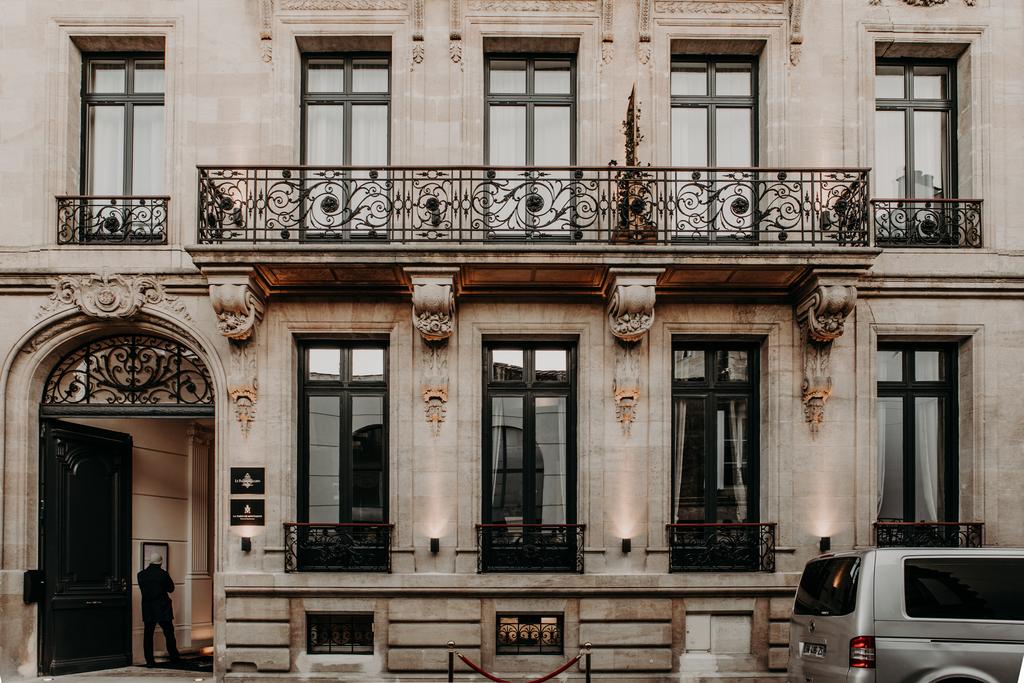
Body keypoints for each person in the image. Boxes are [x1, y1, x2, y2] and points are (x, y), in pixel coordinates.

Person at [137, 552, 180, 667]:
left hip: (148, 608)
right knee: (169, 633)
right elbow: (171, 589)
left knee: (148, 635)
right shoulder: (163, 574)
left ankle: (149, 661)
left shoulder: (140, 575)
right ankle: (174, 658)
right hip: (162, 608)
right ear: (160, 563)